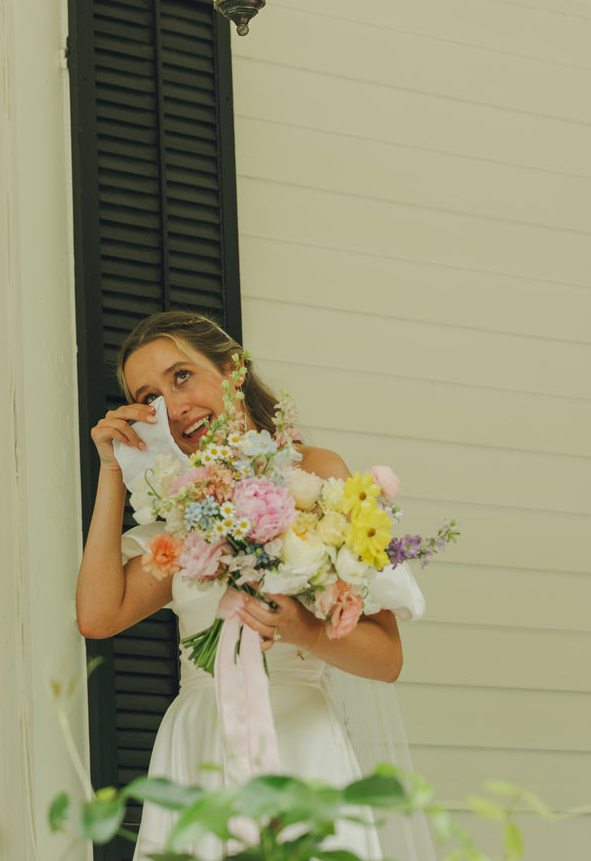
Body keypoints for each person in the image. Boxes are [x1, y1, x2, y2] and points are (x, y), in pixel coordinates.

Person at [76, 311, 426, 860]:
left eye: (182, 376)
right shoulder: (181, 509)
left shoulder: (317, 476)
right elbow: (99, 617)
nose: (174, 405)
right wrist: (112, 472)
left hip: (298, 742)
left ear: (232, 368)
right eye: (151, 398)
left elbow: (387, 660)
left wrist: (303, 629)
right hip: (200, 744)